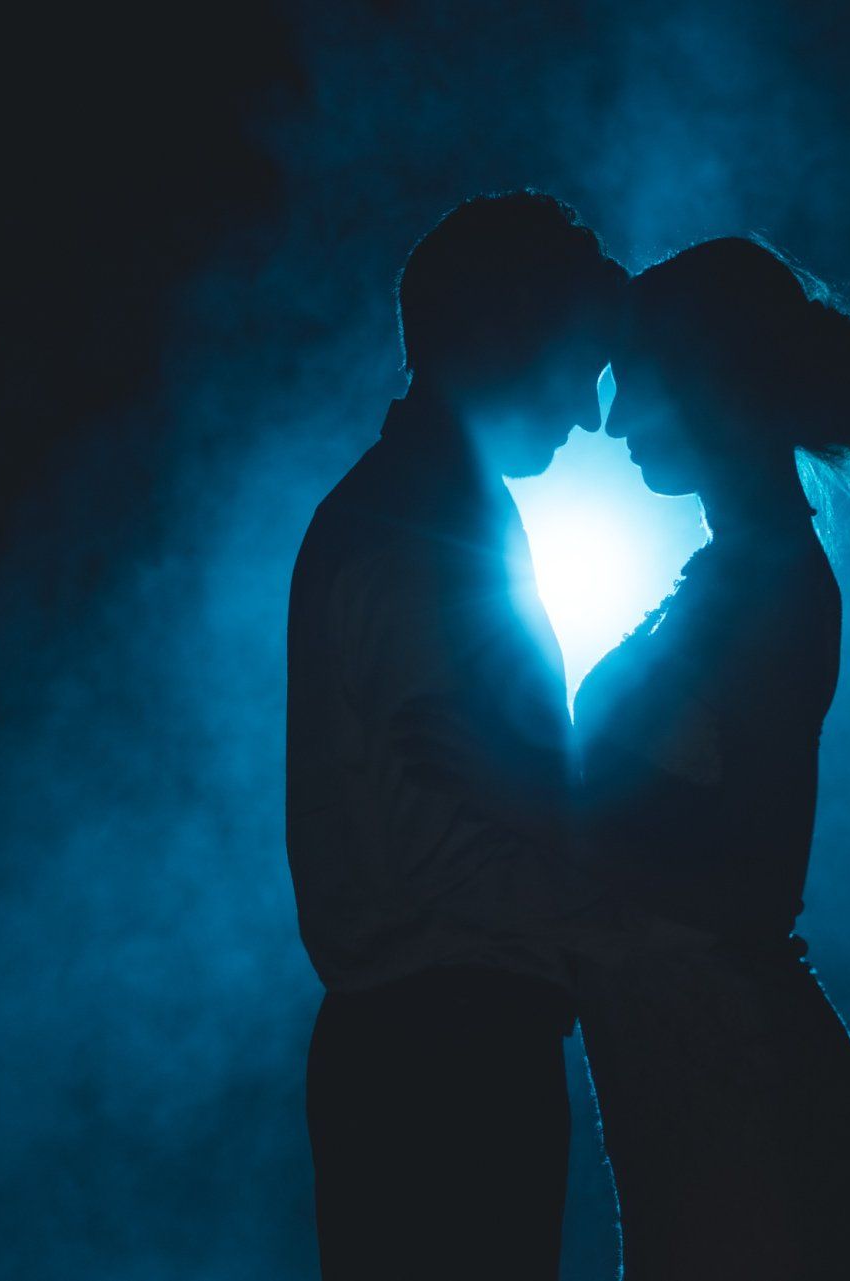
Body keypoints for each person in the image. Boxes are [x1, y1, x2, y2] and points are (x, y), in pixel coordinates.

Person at [284, 191, 625, 1280]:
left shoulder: (437, 513)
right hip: (447, 1055)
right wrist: (640, 902)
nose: (588, 408)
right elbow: (448, 856)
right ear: (498, 331)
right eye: (578, 361)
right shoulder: (421, 531)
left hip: (440, 1046)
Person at [566, 237, 850, 1278]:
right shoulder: (741, 576)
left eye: (636, 381)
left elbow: (751, 872)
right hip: (700, 1060)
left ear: (706, 376)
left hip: (729, 1068)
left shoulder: (765, 586)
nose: (617, 418)